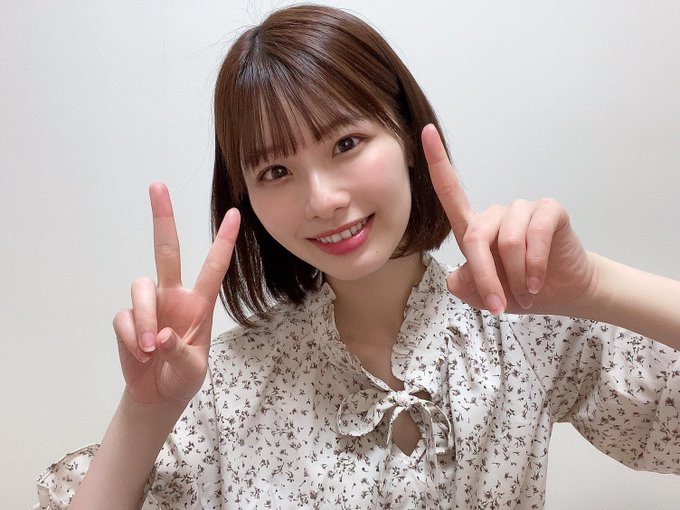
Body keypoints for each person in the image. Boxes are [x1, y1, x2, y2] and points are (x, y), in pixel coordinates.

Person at [35, 4, 680, 509]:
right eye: (276, 170)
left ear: (406, 135)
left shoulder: (520, 328)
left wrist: (596, 288)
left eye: (346, 142)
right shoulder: (223, 384)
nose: (323, 199)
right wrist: (147, 412)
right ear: (246, 198)